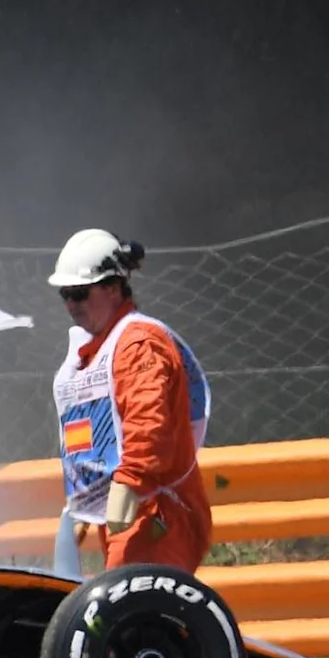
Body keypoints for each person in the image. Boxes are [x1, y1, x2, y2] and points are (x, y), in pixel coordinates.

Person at [48, 228, 214, 575]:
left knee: (137, 614)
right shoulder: (93, 353)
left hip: (157, 511)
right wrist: (82, 503)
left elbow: (147, 423)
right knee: (124, 613)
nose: (71, 305)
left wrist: (129, 483)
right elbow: (89, 436)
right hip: (125, 507)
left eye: (79, 293)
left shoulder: (139, 343)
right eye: (65, 295)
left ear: (112, 287)